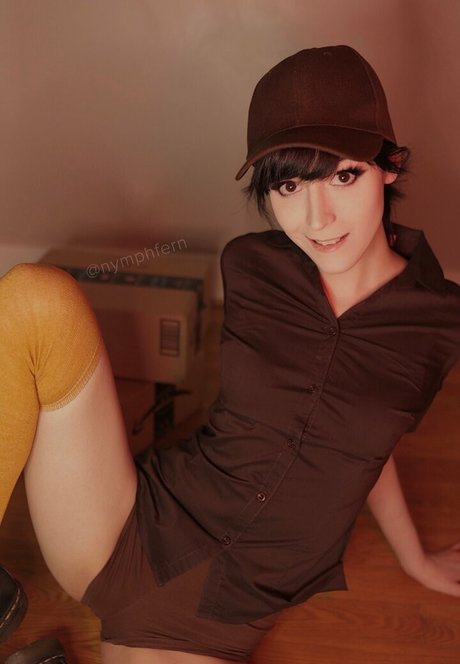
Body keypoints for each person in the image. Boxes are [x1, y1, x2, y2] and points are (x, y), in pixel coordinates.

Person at [1, 44, 460, 664]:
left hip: (225, 612)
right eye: (289, 185)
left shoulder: (439, 322)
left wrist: (416, 559)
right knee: (35, 294)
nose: (317, 218)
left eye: (343, 176)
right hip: (130, 521)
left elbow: (366, 445)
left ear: (389, 167)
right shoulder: (250, 267)